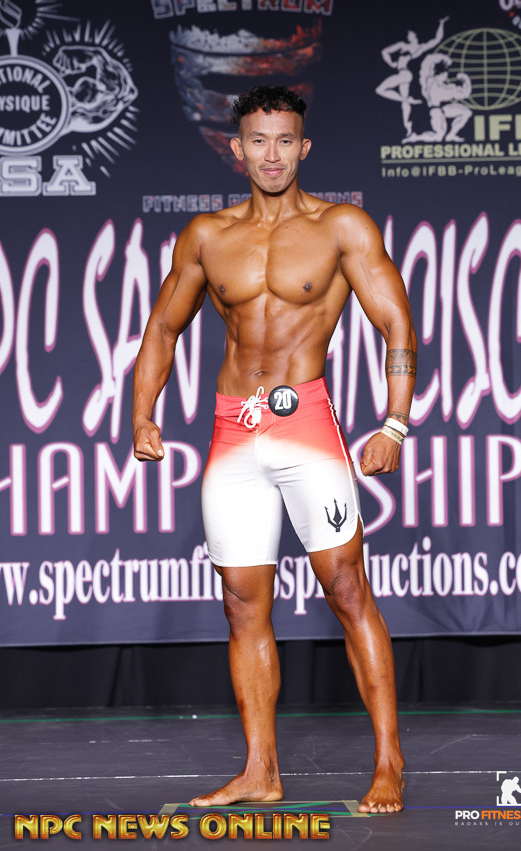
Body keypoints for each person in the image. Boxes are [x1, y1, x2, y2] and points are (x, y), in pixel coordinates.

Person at [132, 85, 417, 814]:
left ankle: (388, 761)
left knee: (347, 589)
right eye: (258, 140)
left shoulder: (341, 227)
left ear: (303, 147)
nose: (271, 154)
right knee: (241, 604)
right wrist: (142, 416)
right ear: (237, 148)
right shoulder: (207, 235)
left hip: (306, 426)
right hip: (233, 430)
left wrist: (394, 425)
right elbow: (162, 327)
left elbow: (396, 323)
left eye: (284, 140)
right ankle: (260, 771)